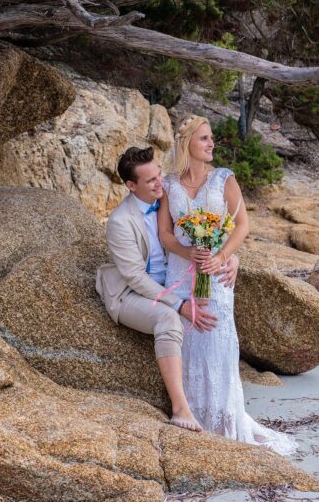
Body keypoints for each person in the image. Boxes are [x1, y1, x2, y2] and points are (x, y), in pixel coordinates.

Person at [157, 115, 297, 455]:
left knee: (217, 340)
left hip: (216, 274)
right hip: (180, 272)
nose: (210, 144)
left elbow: (242, 225)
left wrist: (223, 257)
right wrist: (186, 250)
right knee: (187, 341)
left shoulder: (223, 179)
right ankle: (190, 414)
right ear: (187, 142)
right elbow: (164, 233)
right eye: (203, 138)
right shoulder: (170, 183)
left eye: (211, 138)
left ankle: (223, 421)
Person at [96, 146, 239, 432]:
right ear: (131, 186)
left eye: (159, 174)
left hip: (167, 284)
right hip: (129, 294)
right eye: (150, 180)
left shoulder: (164, 201)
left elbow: (202, 236)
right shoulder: (120, 221)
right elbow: (135, 278)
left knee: (208, 313)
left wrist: (230, 257)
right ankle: (181, 408)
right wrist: (180, 305)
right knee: (169, 319)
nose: (159, 182)